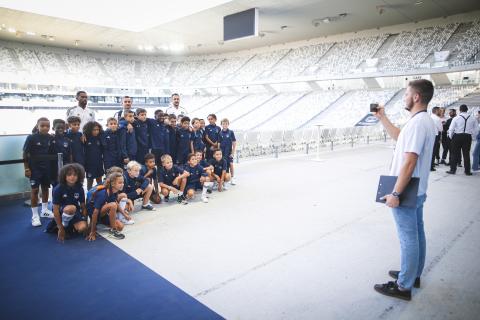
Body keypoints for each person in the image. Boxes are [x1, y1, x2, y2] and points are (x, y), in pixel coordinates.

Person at [372, 79, 437, 301]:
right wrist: (383, 118)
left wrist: (396, 194)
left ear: (416, 97)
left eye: (407, 93)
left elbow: (409, 162)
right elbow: (401, 138)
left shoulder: (419, 123)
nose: (404, 97)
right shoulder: (421, 121)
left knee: (408, 237)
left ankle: (403, 286)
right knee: (417, 233)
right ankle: (412, 275)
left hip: (407, 191)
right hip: (417, 189)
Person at [23, 117, 54, 226]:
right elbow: (25, 154)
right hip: (34, 169)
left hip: (47, 168)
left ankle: (44, 211)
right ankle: (35, 216)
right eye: (42, 126)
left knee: (45, 189)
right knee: (35, 191)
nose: (45, 128)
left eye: (47, 126)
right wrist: (26, 168)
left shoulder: (51, 138)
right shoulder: (31, 138)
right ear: (37, 126)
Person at [46, 163, 88, 242]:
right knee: (71, 208)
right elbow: (55, 209)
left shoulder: (80, 188)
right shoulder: (58, 189)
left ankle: (70, 226)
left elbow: (83, 206)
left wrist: (85, 220)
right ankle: (63, 226)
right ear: (64, 176)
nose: (72, 177)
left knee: (83, 228)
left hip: (75, 212)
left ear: (79, 176)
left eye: (75, 175)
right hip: (62, 211)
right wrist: (61, 228)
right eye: (69, 175)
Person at [86, 172, 126, 241]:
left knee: (120, 227)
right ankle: (113, 230)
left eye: (123, 182)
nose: (122, 184)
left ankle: (103, 223)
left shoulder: (114, 191)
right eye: (120, 183)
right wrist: (92, 231)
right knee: (113, 205)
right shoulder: (103, 193)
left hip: (101, 213)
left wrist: (124, 214)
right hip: (93, 213)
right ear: (113, 184)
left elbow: (115, 203)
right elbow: (95, 213)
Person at [447, 104, 478, 176]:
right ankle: (467, 171)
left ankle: (453, 170)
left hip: (457, 136)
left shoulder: (456, 118)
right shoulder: (472, 118)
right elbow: (476, 129)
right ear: (467, 110)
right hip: (467, 137)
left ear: (460, 110)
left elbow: (451, 129)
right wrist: (472, 137)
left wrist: (451, 137)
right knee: (466, 154)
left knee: (454, 154)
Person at [50, 119, 73, 186]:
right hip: (54, 166)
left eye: (62, 128)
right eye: (58, 128)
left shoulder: (67, 140)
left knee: (66, 183)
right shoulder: (51, 138)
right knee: (55, 184)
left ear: (65, 128)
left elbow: (70, 154)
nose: (60, 129)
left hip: (65, 165)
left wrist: (71, 165)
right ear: (53, 128)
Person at [83, 121, 104, 190]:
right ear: (89, 130)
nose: (96, 131)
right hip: (89, 164)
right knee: (90, 182)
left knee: (99, 181)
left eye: (97, 130)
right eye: (94, 130)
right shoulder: (85, 138)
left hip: (99, 163)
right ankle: (89, 197)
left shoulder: (100, 137)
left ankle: (100, 196)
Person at [219, 118, 237, 185]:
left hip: (229, 152)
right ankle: (224, 180)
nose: (225, 125)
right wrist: (219, 153)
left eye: (226, 124)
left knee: (231, 164)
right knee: (224, 166)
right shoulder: (220, 133)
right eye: (223, 124)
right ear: (221, 124)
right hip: (222, 153)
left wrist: (232, 152)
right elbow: (219, 143)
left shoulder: (231, 132)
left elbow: (234, 143)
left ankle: (232, 178)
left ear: (228, 124)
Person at [430, 107, 442, 171]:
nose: (440, 112)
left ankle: (429, 165)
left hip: (429, 135)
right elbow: (440, 129)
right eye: (439, 111)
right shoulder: (437, 119)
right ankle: (431, 166)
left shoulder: (429, 117)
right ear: (436, 111)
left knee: (429, 151)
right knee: (433, 151)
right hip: (435, 135)